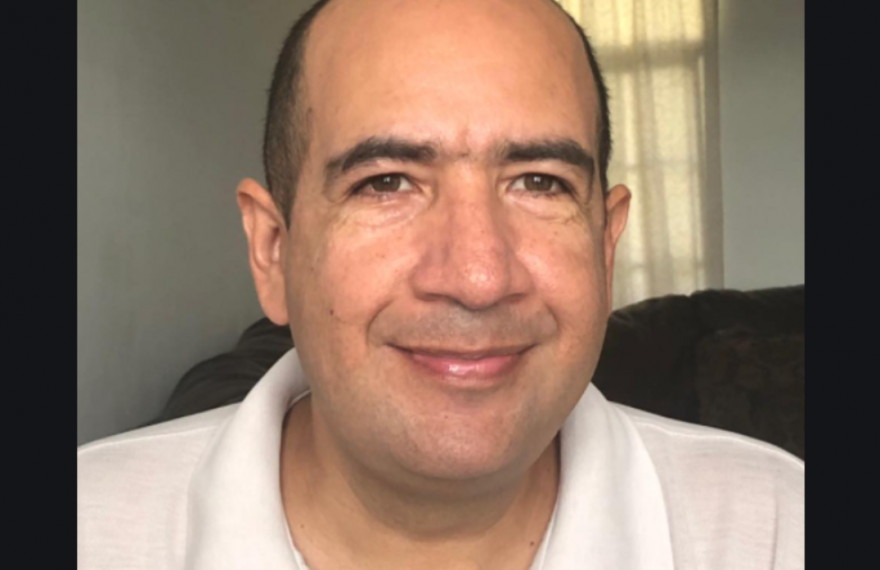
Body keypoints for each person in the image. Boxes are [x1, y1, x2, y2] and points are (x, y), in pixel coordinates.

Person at [77, 0, 805, 568]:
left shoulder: (780, 529)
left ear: (604, 248)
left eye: (540, 182)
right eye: (386, 182)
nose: (478, 278)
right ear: (273, 250)